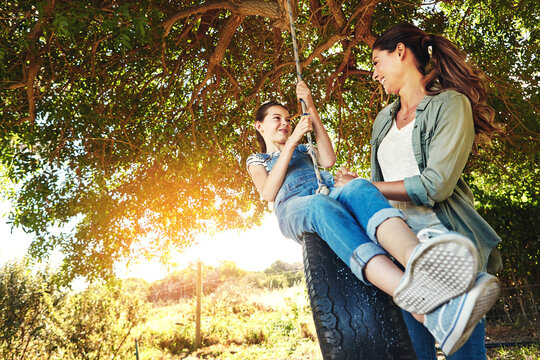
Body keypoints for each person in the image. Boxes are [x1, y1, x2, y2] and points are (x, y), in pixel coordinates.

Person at [247, 80, 500, 357]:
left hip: (327, 194)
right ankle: (414, 300)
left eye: (287, 118)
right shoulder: (257, 159)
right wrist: (293, 139)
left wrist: (312, 108)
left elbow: (328, 160)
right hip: (296, 207)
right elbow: (268, 192)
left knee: (359, 186)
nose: (284, 123)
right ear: (260, 126)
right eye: (276, 119)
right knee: (320, 203)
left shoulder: (305, 150)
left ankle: (425, 271)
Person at [336, 23, 503, 359]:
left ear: (400, 52)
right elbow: (378, 194)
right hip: (401, 256)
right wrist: (361, 190)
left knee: (464, 354)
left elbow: (435, 185)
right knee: (413, 353)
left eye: (376, 62)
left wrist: (365, 187)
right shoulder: (383, 119)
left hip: (445, 245)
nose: (374, 74)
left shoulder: (450, 105)